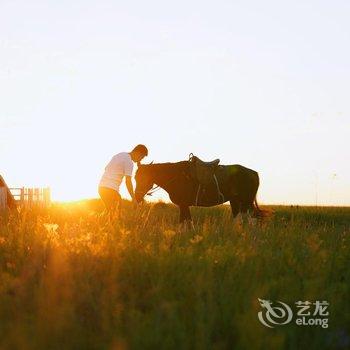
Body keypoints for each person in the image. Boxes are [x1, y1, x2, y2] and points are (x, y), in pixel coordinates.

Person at [98, 144, 148, 213]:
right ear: (138, 153)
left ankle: (100, 222)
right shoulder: (129, 162)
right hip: (111, 189)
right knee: (116, 214)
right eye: (141, 157)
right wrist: (133, 199)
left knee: (110, 212)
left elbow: (106, 168)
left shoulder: (119, 155)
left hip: (101, 187)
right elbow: (128, 181)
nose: (140, 160)